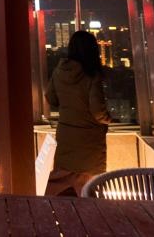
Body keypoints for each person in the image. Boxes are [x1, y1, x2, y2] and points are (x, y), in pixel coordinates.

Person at [45, 30, 113, 196]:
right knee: (89, 188)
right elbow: (98, 112)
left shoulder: (59, 71)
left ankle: (60, 212)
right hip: (88, 139)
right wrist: (109, 118)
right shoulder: (91, 75)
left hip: (66, 134)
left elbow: (51, 98)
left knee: (63, 185)